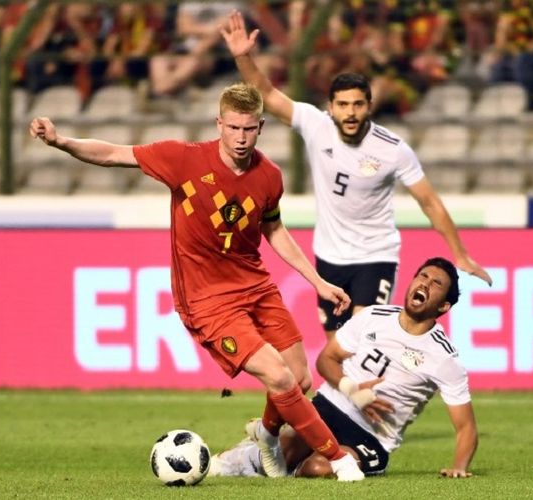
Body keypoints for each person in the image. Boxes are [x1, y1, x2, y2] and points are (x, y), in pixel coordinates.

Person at [29, 82, 364, 482]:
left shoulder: (269, 176)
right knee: (279, 377)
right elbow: (114, 154)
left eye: (250, 129)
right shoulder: (183, 160)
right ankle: (339, 459)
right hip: (207, 300)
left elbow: (274, 230)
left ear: (260, 127)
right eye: (234, 128)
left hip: (255, 285)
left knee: (301, 376)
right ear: (219, 123)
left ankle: (266, 434)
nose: (241, 138)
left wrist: (317, 281)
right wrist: (61, 141)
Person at [221, 11, 492, 340]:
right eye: (344, 105)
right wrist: (243, 57)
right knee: (336, 350)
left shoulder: (392, 149)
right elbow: (264, 91)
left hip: (375, 256)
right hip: (329, 257)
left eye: (358, 104)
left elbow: (430, 202)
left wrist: (460, 254)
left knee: (361, 338)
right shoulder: (314, 124)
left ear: (370, 105)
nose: (351, 112)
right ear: (331, 107)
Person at [209, 256, 478, 479]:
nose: (425, 283)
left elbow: (466, 427)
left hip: (372, 437)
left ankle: (269, 450)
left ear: (444, 305)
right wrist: (353, 390)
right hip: (330, 406)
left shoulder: (443, 356)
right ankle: (246, 455)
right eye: (422, 276)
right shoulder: (373, 316)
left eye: (436, 283)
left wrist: (459, 467)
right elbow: (326, 360)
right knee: (288, 450)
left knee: (318, 468)